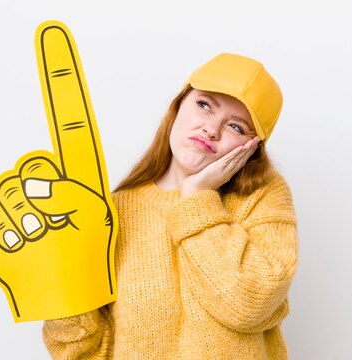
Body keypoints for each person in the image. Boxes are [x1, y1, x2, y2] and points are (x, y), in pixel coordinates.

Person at [42, 53, 298, 359]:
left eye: (235, 126)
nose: (211, 130)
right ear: (177, 106)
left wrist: (197, 196)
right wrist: (58, 292)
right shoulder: (114, 212)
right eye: (204, 105)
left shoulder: (262, 196)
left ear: (252, 147)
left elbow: (248, 303)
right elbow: (84, 351)